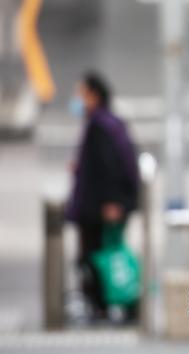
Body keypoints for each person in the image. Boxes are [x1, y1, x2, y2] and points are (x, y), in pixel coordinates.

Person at [65, 71, 139, 320]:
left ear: (94, 96)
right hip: (103, 206)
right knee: (104, 256)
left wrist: (112, 202)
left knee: (96, 258)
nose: (77, 99)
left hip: (99, 209)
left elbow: (109, 167)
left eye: (81, 93)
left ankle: (104, 306)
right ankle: (111, 304)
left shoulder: (99, 126)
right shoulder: (110, 122)